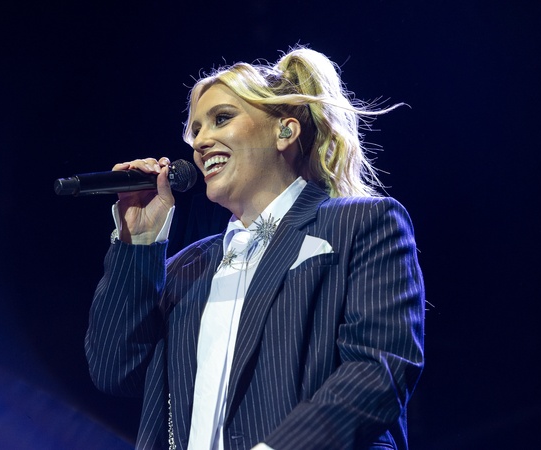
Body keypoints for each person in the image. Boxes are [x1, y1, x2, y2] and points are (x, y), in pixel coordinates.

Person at [85, 45, 425, 450]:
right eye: (195, 131)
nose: (201, 142)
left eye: (221, 119)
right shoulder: (187, 267)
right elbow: (114, 370)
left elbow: (376, 371)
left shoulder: (363, 224)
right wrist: (138, 241)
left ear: (285, 131)